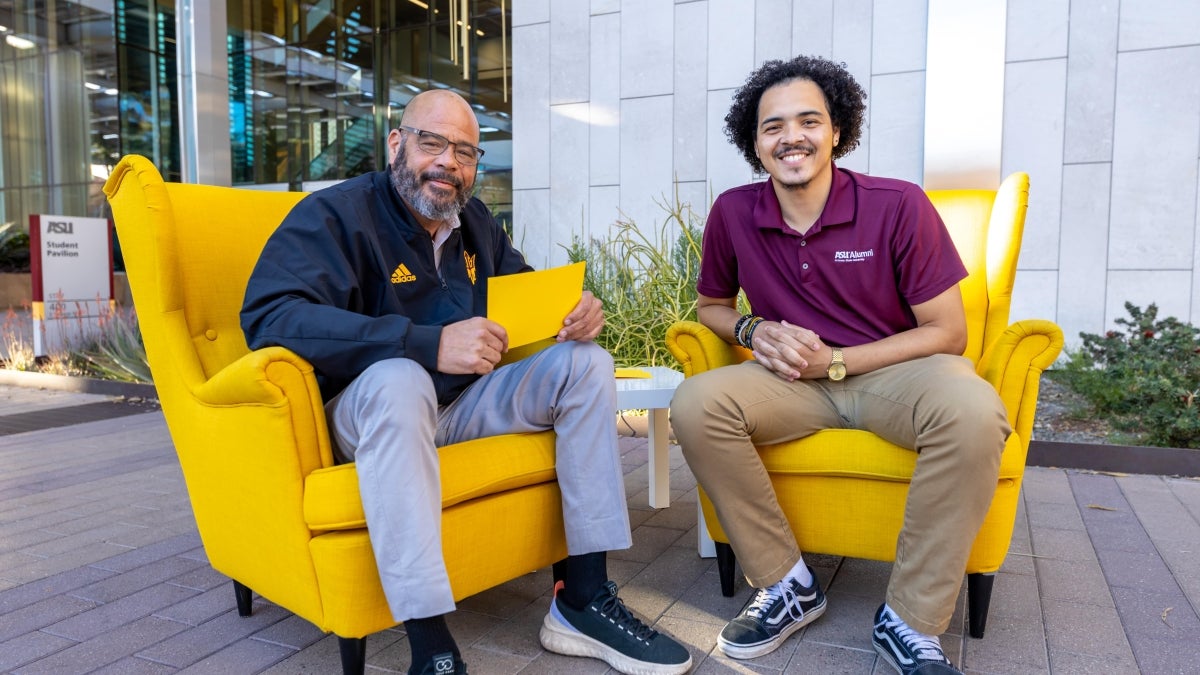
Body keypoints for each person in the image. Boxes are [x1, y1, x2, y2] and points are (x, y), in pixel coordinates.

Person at [241, 90, 691, 675]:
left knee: (586, 364)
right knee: (400, 378)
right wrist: (424, 343)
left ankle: (582, 598)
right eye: (432, 142)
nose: (448, 162)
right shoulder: (335, 215)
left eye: (466, 151)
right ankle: (430, 646)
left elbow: (526, 292)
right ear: (396, 144)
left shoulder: (474, 223)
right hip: (369, 413)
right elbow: (270, 315)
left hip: (463, 407)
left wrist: (575, 311)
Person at [669, 55, 1011, 675]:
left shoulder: (898, 204)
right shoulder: (733, 211)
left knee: (974, 410)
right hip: (791, 381)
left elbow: (949, 331)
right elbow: (712, 305)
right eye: (772, 126)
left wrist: (841, 359)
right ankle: (787, 583)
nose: (790, 137)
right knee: (697, 404)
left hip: (892, 373)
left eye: (808, 121)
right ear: (754, 141)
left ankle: (910, 619)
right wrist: (754, 328)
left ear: (836, 131)